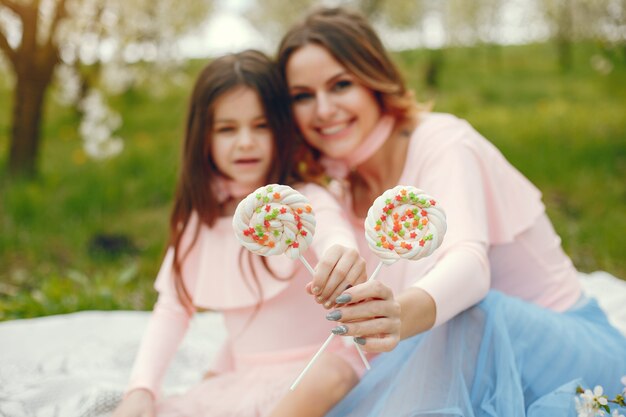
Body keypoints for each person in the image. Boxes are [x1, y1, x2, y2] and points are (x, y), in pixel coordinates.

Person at [276, 7, 626, 416]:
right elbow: (351, 351)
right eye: (302, 96)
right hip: (461, 360)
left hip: (569, 356)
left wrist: (396, 315)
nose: (323, 109)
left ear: (375, 80)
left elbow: (469, 266)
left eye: (340, 85)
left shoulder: (442, 142)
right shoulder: (340, 190)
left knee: (468, 315)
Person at [110, 50, 370, 417]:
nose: (245, 142)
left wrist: (339, 252)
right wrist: (141, 389)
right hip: (245, 375)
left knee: (329, 373)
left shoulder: (302, 199)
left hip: (322, 366)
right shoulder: (201, 218)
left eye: (261, 126)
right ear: (204, 137)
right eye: (227, 129)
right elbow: (172, 309)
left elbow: (332, 230)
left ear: (282, 130)